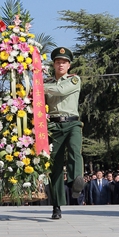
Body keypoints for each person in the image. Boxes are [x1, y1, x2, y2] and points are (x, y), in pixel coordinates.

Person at [44, 47, 85, 220]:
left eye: (64, 62)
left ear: (69, 65)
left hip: (72, 122)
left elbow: (61, 91)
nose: (61, 65)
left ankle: (76, 180)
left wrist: (39, 86)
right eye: (58, 62)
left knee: (75, 150)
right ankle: (57, 205)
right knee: (55, 167)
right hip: (53, 125)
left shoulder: (74, 79)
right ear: (53, 65)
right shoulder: (47, 82)